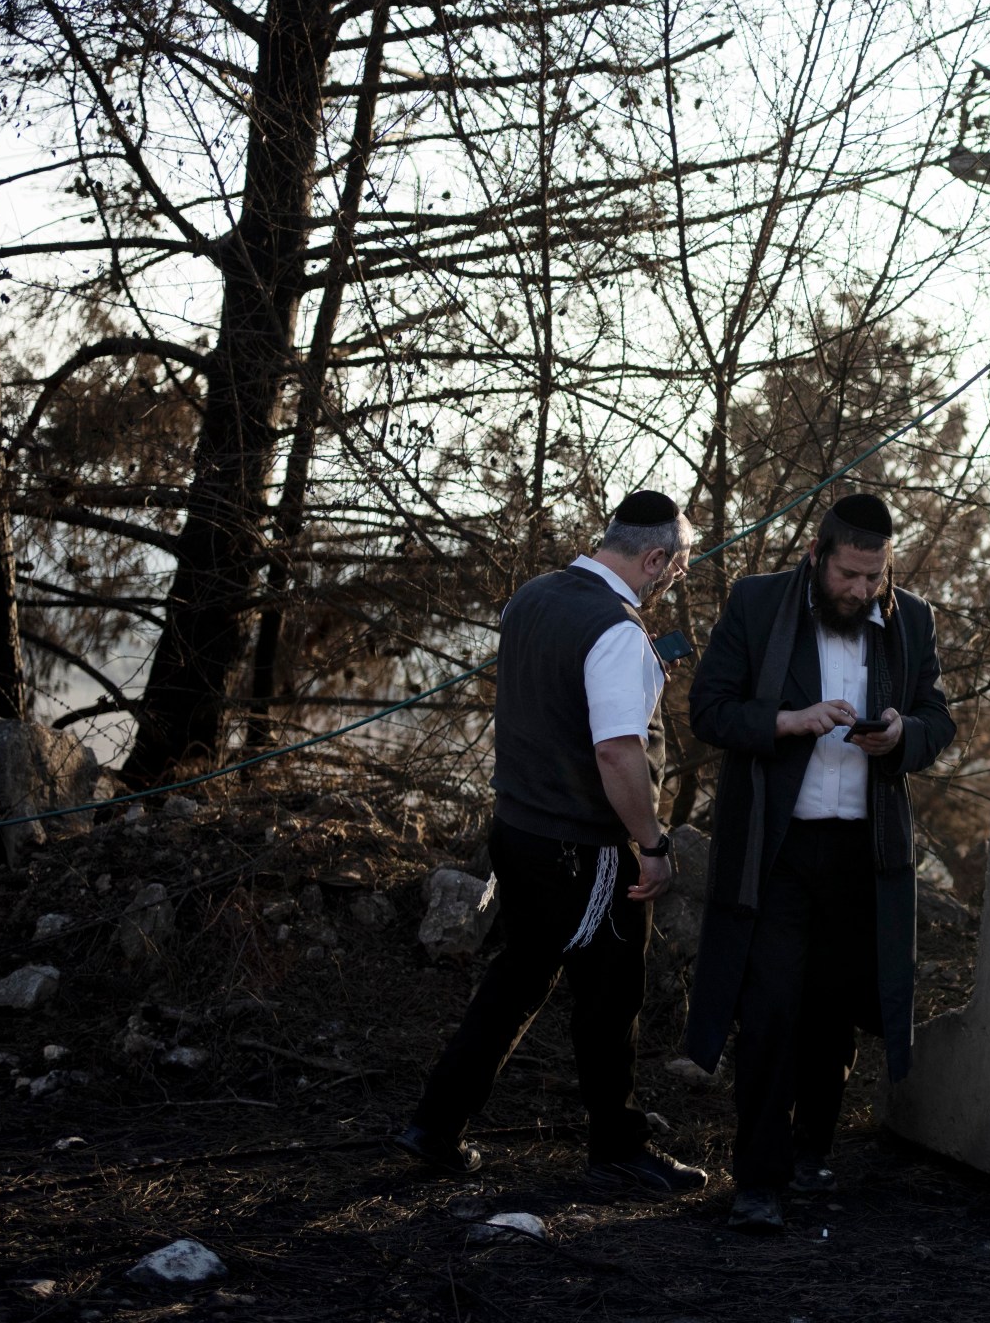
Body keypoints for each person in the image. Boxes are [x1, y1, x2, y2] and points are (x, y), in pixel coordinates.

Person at [391, 491, 709, 1195]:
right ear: (652, 557)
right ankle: (616, 1150)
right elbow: (618, 756)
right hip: (585, 847)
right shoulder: (617, 631)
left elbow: (555, 702)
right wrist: (651, 844)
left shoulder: (533, 597)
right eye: (678, 567)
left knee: (516, 981)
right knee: (611, 996)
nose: (675, 580)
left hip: (518, 830)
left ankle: (435, 1124)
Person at [682, 494, 956, 1234]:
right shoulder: (757, 602)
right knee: (769, 1009)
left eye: (874, 576)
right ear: (816, 555)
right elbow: (707, 709)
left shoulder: (913, 620)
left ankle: (811, 1149)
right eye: (849, 575)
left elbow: (939, 720)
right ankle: (759, 1180)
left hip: (864, 855)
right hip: (777, 848)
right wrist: (787, 722)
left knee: (833, 1014)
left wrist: (902, 734)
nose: (863, 590)